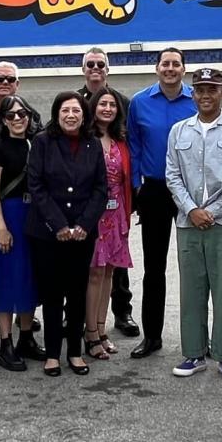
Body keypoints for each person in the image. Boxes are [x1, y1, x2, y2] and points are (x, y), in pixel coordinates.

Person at [165, 68, 222, 382]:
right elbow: (172, 175)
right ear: (193, 94)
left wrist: (211, 212)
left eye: (211, 89)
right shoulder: (179, 131)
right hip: (188, 223)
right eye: (200, 90)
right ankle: (193, 353)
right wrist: (191, 210)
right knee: (191, 292)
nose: (205, 95)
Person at [26, 92, 108, 377]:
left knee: (76, 294)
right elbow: (36, 185)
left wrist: (84, 224)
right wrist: (59, 225)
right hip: (48, 233)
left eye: (76, 111)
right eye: (65, 110)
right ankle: (52, 354)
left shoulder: (93, 144)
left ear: (84, 115)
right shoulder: (42, 142)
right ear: (56, 114)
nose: (71, 115)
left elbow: (101, 188)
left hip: (82, 234)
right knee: (52, 294)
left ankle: (74, 351)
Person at [127, 47, 196, 358]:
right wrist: (137, 186)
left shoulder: (196, 99)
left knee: (195, 267)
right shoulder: (140, 102)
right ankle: (152, 336)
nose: (170, 68)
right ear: (157, 68)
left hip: (190, 192)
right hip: (154, 191)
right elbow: (133, 145)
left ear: (183, 69)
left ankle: (198, 337)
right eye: (165, 63)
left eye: (175, 64)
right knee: (154, 268)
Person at [77, 47, 140, 339]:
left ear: (108, 69)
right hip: (88, 209)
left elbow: (131, 150)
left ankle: (120, 313)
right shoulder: (74, 103)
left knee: (113, 268)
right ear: (83, 69)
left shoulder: (123, 103)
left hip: (117, 208)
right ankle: (82, 322)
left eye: (100, 64)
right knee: (88, 269)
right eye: (90, 64)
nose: (95, 68)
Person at [0, 94, 46, 371]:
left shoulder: (36, 145)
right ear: (3, 120)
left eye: (22, 114)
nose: (18, 119)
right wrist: (1, 228)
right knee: (6, 279)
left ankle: (26, 338)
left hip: (32, 217)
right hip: (8, 216)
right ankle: (6, 344)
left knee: (29, 277)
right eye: (11, 115)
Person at [85, 87, 134, 359]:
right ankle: (90, 332)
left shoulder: (120, 140)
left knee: (109, 274)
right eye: (102, 104)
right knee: (93, 273)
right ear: (93, 108)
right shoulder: (86, 138)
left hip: (116, 214)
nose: (107, 109)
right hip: (93, 214)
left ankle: (102, 329)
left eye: (112, 105)